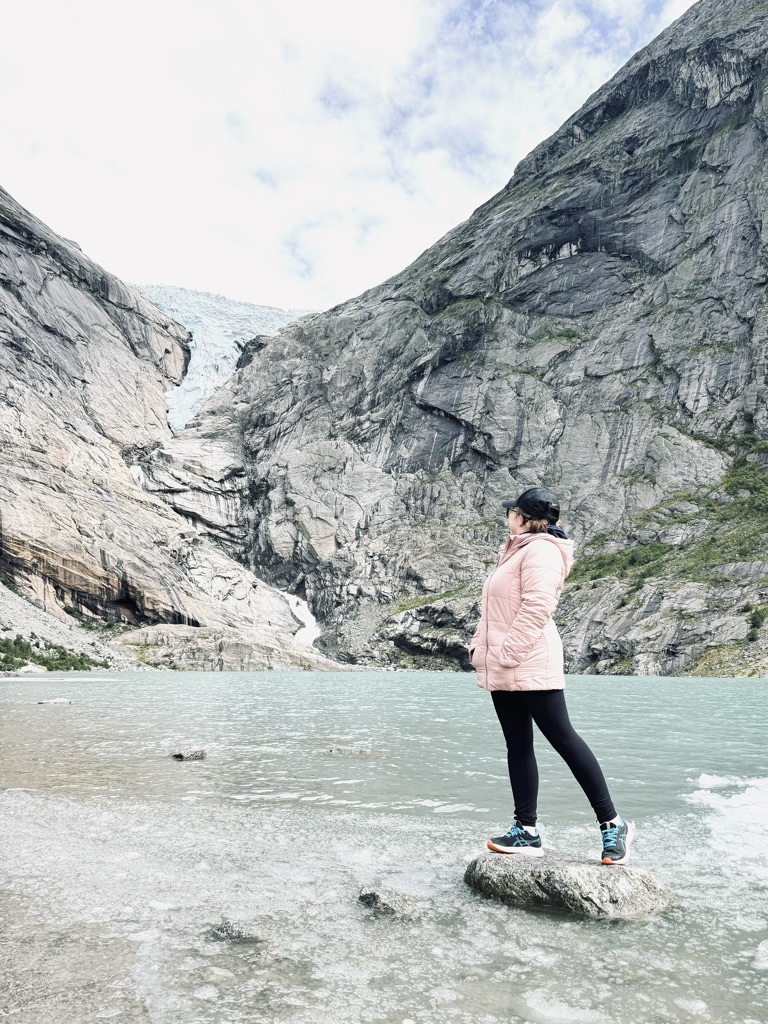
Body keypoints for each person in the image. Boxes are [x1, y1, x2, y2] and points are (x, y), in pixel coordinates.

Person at [468, 487, 632, 865]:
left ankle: (613, 823)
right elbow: (493, 611)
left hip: (531, 661)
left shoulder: (541, 551)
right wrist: (480, 648)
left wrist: (507, 653)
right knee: (518, 745)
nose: (508, 516)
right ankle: (526, 830)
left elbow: (538, 606)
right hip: (504, 662)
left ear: (522, 519)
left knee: (563, 739)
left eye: (512, 512)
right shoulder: (514, 551)